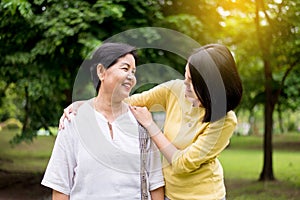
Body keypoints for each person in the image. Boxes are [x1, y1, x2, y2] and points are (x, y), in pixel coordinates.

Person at [60, 43, 243, 200]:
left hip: (205, 195)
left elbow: (182, 164)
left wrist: (151, 126)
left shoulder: (225, 120)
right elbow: (129, 102)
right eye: (185, 76)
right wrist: (86, 105)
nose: (184, 85)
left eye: (191, 82)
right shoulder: (175, 90)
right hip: (170, 194)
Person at [42, 42, 165, 200]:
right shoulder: (74, 121)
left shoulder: (142, 122)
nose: (131, 77)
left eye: (133, 72)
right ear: (101, 71)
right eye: (125, 68)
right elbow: (60, 186)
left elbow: (155, 185)